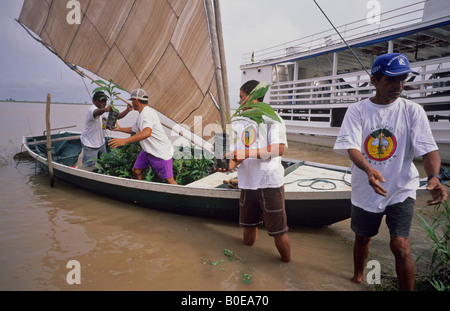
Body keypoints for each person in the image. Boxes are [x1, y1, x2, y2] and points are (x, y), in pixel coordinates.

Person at [333, 53, 448, 290]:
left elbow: (429, 150)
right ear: (374, 81)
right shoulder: (357, 111)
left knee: (400, 245)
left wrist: (435, 177)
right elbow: (352, 148)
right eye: (392, 79)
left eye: (403, 79)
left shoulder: (412, 110)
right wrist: (368, 169)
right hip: (366, 187)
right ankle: (357, 277)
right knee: (363, 237)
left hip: (402, 188)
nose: (399, 85)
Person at [220, 80, 291, 262]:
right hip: (247, 182)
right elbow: (238, 157)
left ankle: (288, 269)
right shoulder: (239, 121)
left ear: (251, 97)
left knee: (278, 231)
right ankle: (246, 260)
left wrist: (243, 153)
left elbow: (277, 149)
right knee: (248, 225)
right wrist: (224, 166)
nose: (239, 102)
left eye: (241, 97)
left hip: (269, 182)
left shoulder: (271, 117)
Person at [108, 89, 177, 185]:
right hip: (148, 150)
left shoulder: (147, 114)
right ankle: (143, 189)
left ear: (136, 101)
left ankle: (183, 198)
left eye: (132, 100)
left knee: (169, 180)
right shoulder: (142, 114)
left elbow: (147, 132)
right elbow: (134, 129)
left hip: (160, 151)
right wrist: (119, 129)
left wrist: (125, 141)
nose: (131, 103)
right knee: (136, 170)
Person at [79, 91, 132, 167]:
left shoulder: (104, 109)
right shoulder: (93, 109)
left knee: (104, 163)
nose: (103, 103)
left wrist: (127, 110)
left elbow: (117, 117)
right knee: (91, 167)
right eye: (100, 101)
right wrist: (105, 109)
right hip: (90, 144)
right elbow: (96, 112)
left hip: (101, 143)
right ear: (93, 101)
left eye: (104, 101)